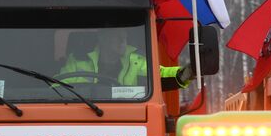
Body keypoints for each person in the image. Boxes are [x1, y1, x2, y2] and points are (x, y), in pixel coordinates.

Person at [59, 29, 191, 88]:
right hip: (85, 115)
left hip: (126, 116)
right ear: (102, 39)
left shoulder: (136, 61)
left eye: (125, 37)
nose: (123, 41)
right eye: (117, 37)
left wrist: (184, 73)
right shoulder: (78, 61)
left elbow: (159, 74)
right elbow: (58, 87)